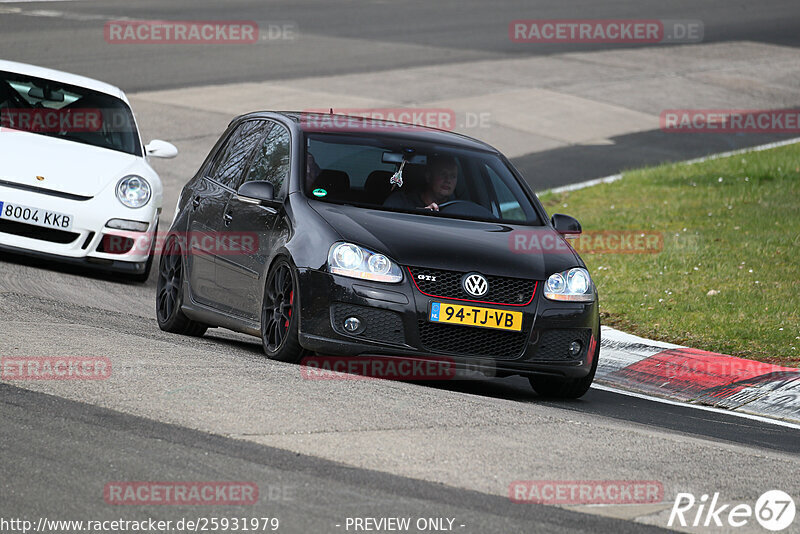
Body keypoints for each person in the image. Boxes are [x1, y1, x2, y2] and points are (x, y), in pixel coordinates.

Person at [383, 155, 458, 211]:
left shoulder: (458, 209)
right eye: (443, 174)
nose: (448, 180)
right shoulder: (399, 202)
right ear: (428, 177)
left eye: (453, 176)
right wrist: (420, 215)